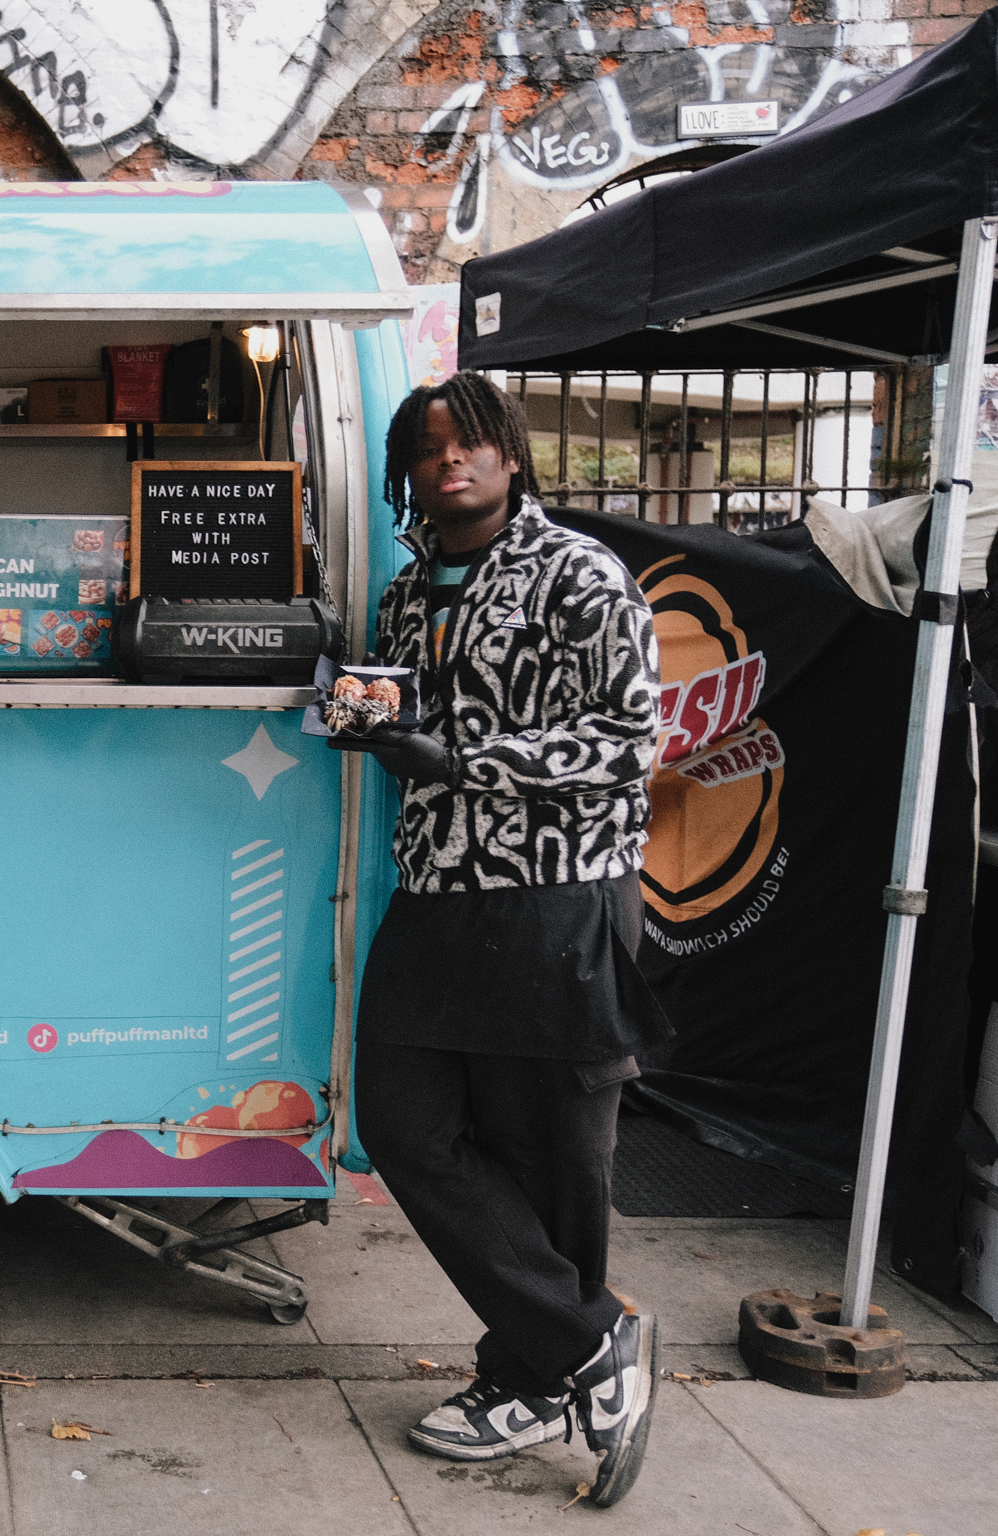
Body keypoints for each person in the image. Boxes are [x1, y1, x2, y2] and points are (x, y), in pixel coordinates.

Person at [348, 372, 665, 1508]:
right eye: (428, 448)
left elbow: (635, 737)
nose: (450, 463)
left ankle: (527, 1378)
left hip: (556, 895)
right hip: (436, 891)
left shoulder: (580, 573)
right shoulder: (403, 596)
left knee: (552, 1154)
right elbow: (414, 729)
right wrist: (370, 723)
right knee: (401, 1123)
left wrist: (471, 764)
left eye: (471, 443)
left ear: (512, 456)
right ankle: (591, 1344)